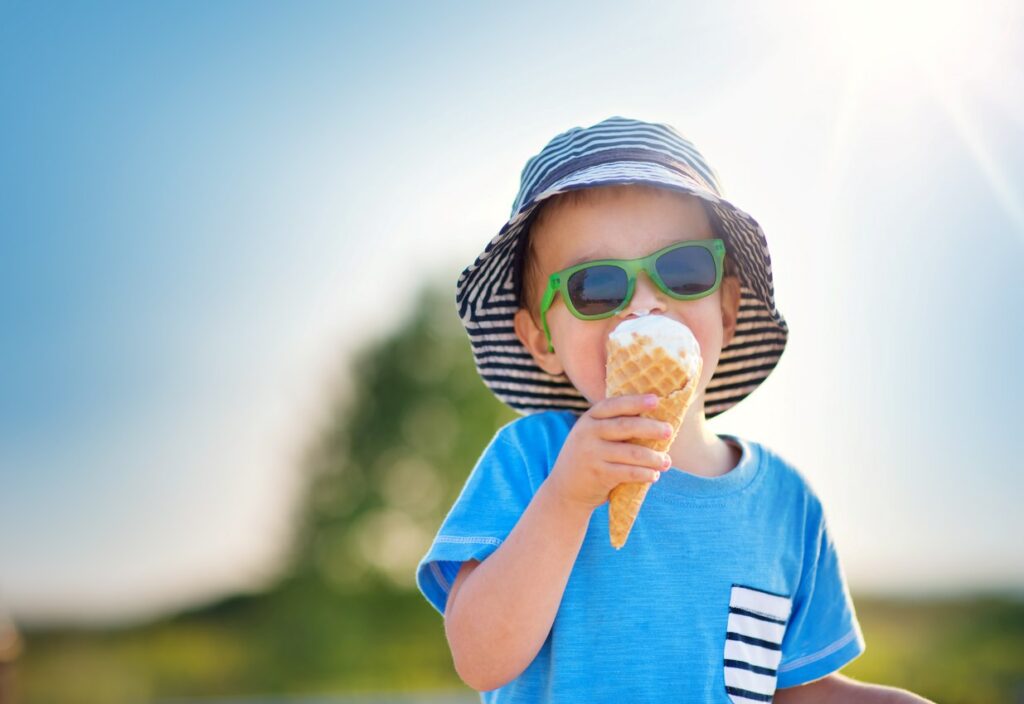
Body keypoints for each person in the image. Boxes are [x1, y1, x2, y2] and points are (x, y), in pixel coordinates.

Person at [415, 116, 933, 703]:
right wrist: (566, 500)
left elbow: (792, 692)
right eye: (595, 286)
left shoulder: (787, 505)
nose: (644, 304)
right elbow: (481, 659)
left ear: (729, 309)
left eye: (683, 271)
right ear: (542, 341)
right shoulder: (531, 461)